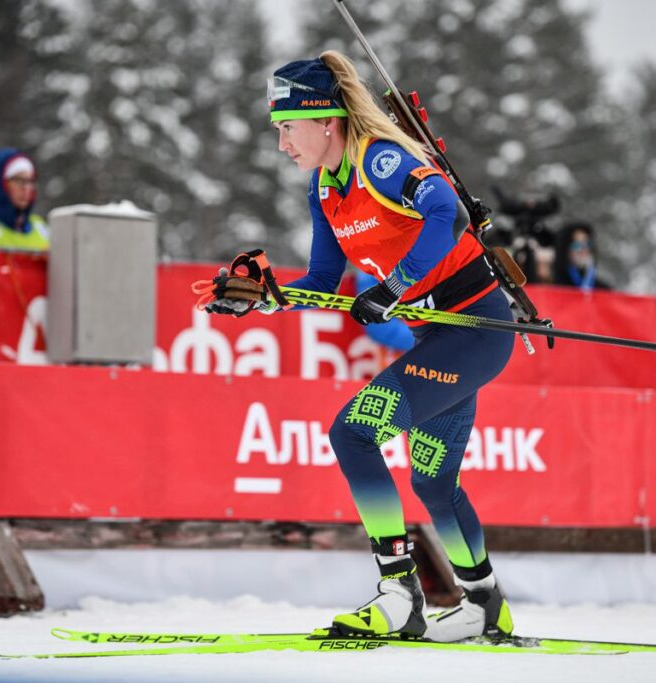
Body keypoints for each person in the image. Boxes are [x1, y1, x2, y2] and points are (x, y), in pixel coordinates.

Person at [198, 52, 515, 643]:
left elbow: (444, 212)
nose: (282, 144)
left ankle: (400, 594)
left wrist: (392, 289)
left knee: (352, 432)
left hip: (475, 329)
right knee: (433, 484)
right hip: (437, 335)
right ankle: (484, 606)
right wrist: (264, 298)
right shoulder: (325, 187)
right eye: (277, 132)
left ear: (326, 122)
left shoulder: (379, 157)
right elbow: (322, 284)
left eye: (287, 129)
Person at [552, 221, 611, 290]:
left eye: (588, 244)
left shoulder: (602, 289)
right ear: (564, 250)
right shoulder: (552, 284)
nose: (584, 250)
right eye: (577, 245)